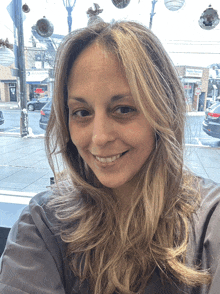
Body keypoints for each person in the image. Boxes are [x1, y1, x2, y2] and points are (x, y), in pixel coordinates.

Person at [0, 20, 220, 294]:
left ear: (163, 111)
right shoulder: (42, 224)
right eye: (82, 113)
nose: (99, 137)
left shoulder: (210, 220)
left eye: (124, 109)